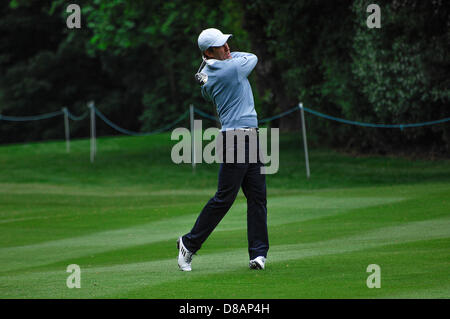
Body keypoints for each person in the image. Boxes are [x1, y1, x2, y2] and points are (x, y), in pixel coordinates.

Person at [177, 28, 269, 271]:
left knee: (257, 197)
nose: (228, 47)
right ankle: (188, 243)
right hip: (236, 139)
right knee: (224, 198)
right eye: (221, 45)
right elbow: (252, 57)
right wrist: (217, 60)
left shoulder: (209, 73)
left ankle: (258, 254)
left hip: (250, 136)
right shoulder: (231, 68)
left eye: (228, 43)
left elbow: (211, 75)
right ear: (208, 51)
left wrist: (210, 61)